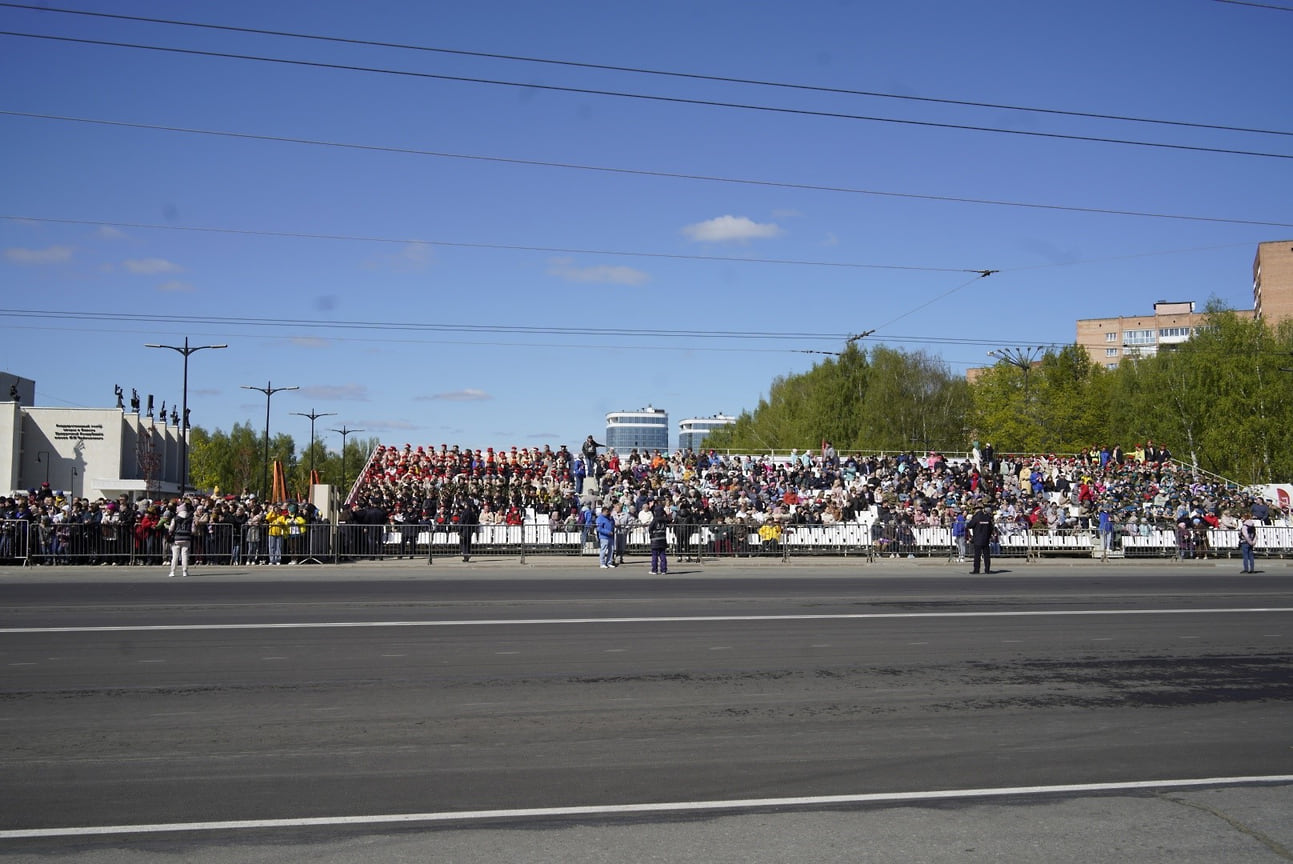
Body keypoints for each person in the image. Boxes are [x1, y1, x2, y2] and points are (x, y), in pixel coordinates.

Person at [966, 504, 995, 574]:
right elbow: (991, 528)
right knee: (987, 556)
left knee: (977, 556)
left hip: (978, 539)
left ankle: (976, 570)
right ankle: (987, 570)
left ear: (976, 510)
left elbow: (969, 525)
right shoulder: (987, 517)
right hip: (985, 539)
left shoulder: (976, 518)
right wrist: (988, 535)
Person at [168, 503, 193, 577]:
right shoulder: (190, 518)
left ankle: (172, 571)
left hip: (177, 538)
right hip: (187, 538)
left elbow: (171, 529)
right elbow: (193, 530)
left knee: (175, 556)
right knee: (185, 555)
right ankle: (185, 571)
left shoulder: (175, 518)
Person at [648, 499, 669, 574]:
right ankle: (664, 570)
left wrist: (651, 534)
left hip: (655, 539)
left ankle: (654, 570)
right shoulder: (664, 520)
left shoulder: (655, 520)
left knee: (654, 556)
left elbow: (650, 528)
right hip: (663, 538)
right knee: (662, 555)